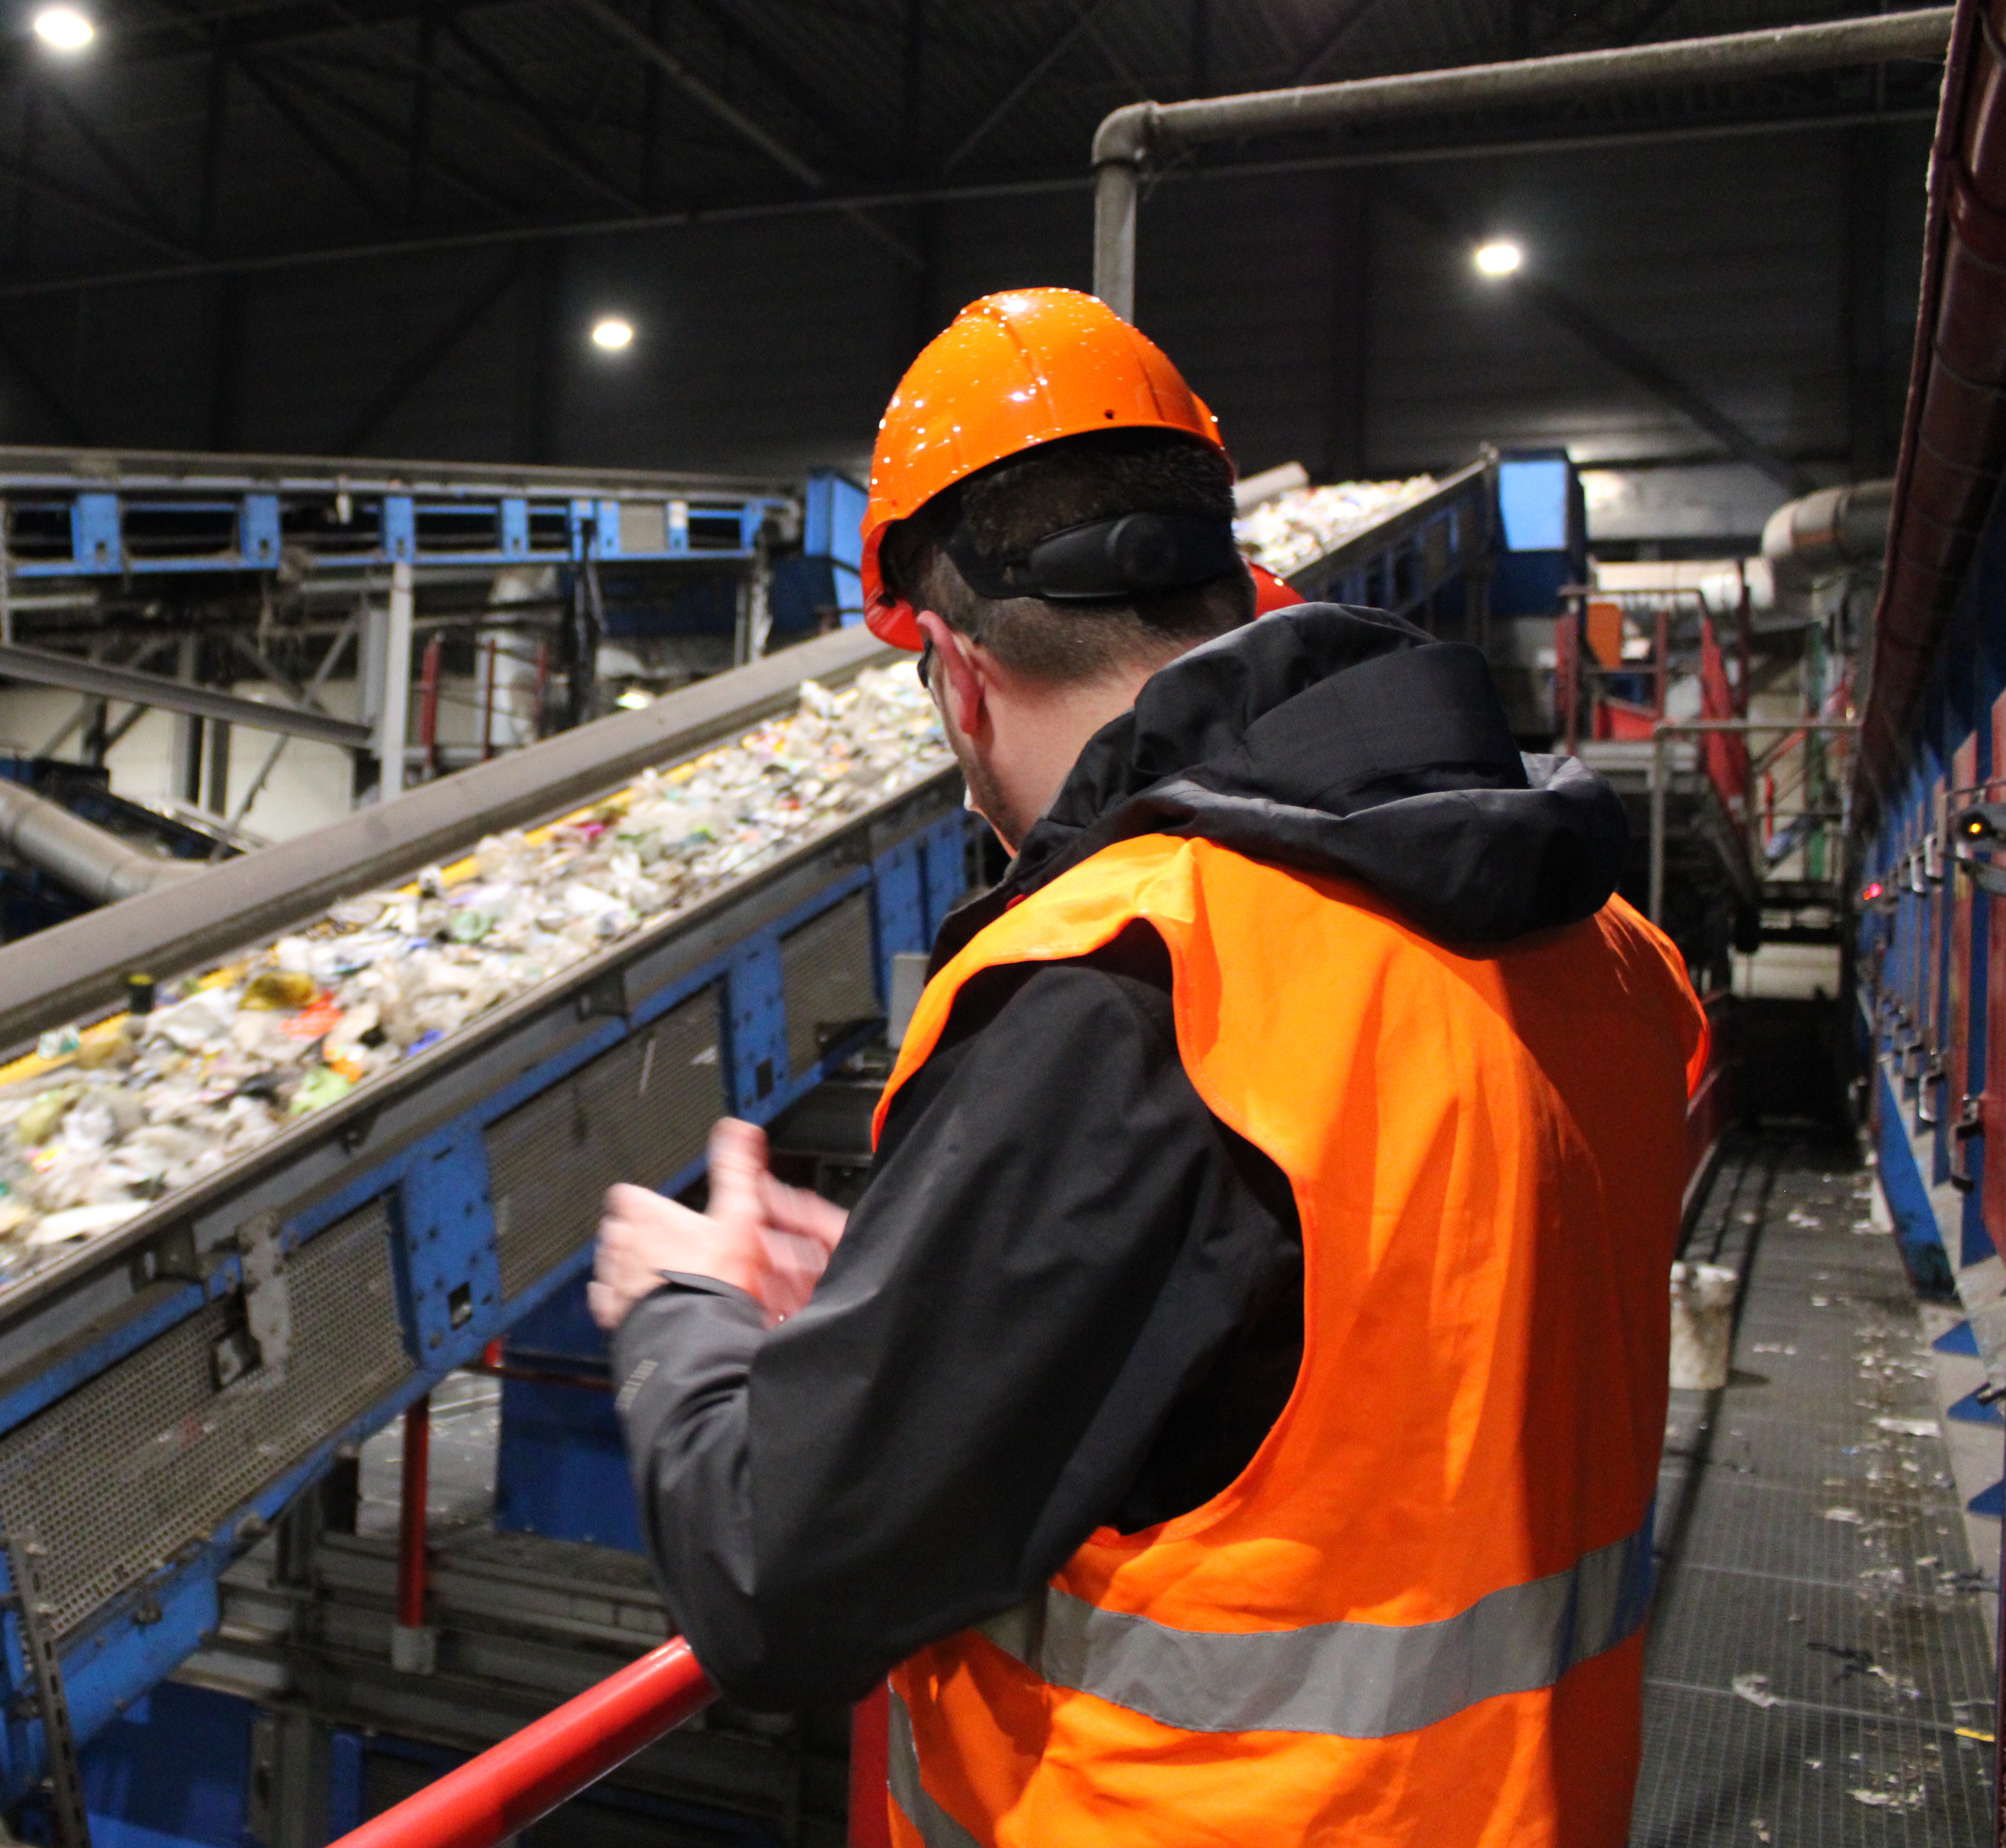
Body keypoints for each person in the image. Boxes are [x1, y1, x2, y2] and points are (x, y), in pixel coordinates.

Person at [590, 289, 1705, 1847]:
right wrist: (931, 1285)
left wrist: (681, 1316)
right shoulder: (1599, 949)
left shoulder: (1141, 987)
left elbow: (782, 1580)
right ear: (1236, 586)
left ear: (961, 679)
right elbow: (1357, 1320)